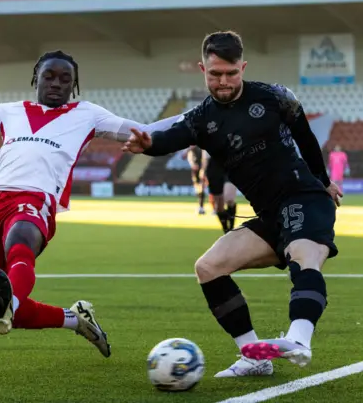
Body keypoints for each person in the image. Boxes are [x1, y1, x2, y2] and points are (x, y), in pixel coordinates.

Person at [0, 15, 178, 357]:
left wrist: (199, 116)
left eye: (66, 79)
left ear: (74, 86)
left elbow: (145, 131)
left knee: (21, 242)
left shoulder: (87, 114)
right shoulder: (10, 112)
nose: (56, 83)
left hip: (36, 201)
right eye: (49, 76)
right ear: (36, 78)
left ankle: (11, 301)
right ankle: (75, 320)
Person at [123, 30, 342, 377]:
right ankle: (254, 355)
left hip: (304, 196)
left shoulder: (274, 97)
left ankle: (300, 338)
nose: (223, 81)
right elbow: (167, 139)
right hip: (269, 216)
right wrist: (147, 146)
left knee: (305, 252)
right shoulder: (201, 119)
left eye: (231, 73)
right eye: (215, 74)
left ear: (243, 67)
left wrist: (325, 179)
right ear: (202, 69)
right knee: (208, 267)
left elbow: (305, 136)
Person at [201, 150, 238, 233]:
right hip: (213, 167)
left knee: (229, 198)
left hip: (229, 162)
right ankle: (226, 229)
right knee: (218, 206)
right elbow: (205, 154)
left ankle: (231, 229)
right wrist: (203, 170)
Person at [185, 145, 207, 214]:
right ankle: (201, 207)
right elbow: (189, 156)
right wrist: (192, 164)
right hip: (195, 171)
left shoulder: (202, 147)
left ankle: (204, 207)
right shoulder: (191, 148)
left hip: (203, 169)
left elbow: (205, 158)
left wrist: (203, 169)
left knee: (203, 188)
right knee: (198, 189)